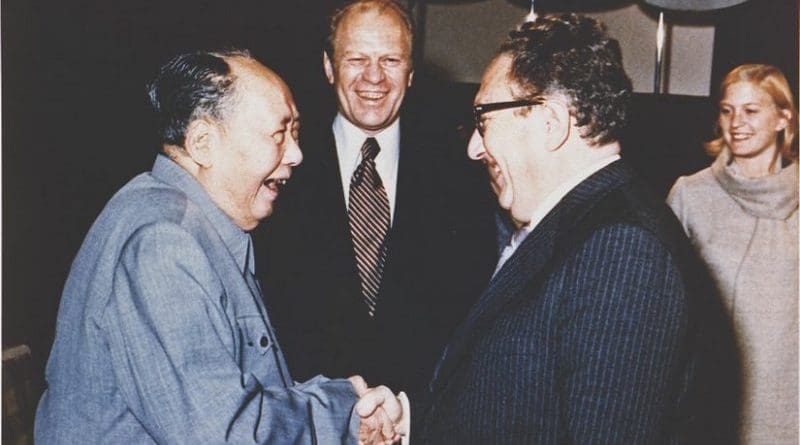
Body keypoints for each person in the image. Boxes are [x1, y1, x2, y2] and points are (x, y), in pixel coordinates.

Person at [34, 49, 407, 444]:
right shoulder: (163, 243)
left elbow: (237, 397)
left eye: (294, 134)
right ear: (202, 143)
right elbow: (223, 435)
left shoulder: (191, 224)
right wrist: (342, 410)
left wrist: (344, 408)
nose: (296, 155)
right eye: (279, 134)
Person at [421, 14, 737, 444]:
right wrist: (415, 422)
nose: (475, 148)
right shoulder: (578, 224)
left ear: (550, 122)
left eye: (483, 119)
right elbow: (524, 401)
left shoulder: (622, 251)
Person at [254, 0, 497, 402]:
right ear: (329, 67)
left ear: (411, 72)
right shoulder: (280, 169)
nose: (374, 77)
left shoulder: (462, 172)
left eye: (390, 60)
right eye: (356, 59)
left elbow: (469, 318)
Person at [667, 64, 798, 444]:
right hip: (711, 402)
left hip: (787, 405)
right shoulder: (690, 195)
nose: (736, 122)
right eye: (727, 110)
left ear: (782, 117)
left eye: (751, 110)